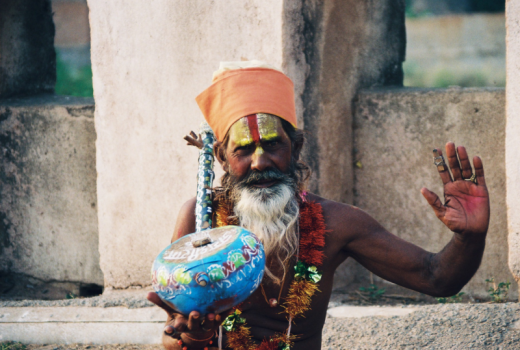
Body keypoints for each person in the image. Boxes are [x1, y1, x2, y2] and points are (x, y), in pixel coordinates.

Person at [147, 61, 490, 350]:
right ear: (222, 157)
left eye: (272, 145)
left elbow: (436, 278)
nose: (259, 162)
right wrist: (192, 337)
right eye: (243, 149)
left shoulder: (337, 223)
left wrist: (470, 237)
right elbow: (174, 335)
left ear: (295, 148)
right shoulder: (200, 220)